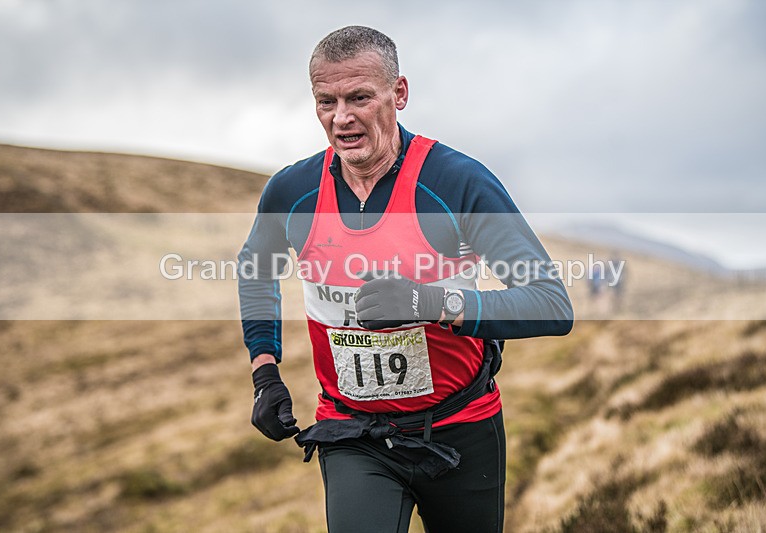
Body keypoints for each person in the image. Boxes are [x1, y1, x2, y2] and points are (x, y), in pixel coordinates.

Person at [238, 26, 573, 533]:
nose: (341, 117)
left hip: (461, 430)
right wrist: (265, 372)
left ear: (399, 94)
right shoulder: (294, 191)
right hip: (351, 432)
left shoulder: (456, 182)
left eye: (359, 98)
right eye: (325, 101)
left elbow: (551, 304)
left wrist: (432, 301)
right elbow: (255, 269)